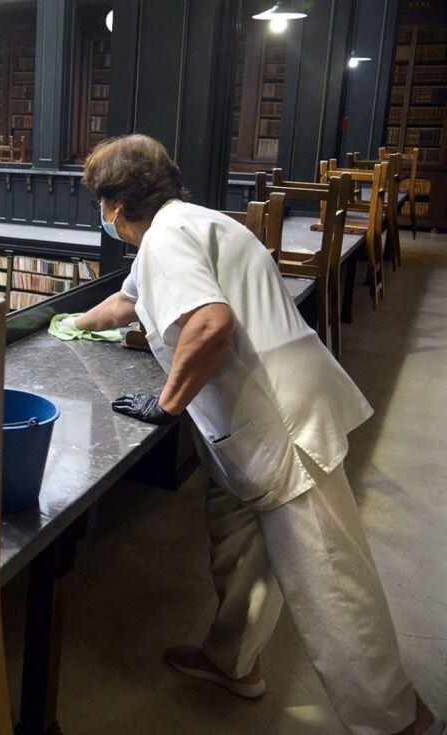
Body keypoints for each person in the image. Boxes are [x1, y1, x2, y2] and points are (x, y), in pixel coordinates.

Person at [69, 134, 442, 735]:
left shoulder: (166, 238)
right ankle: (232, 662)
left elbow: (210, 323)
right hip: (251, 425)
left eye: (99, 201)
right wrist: (71, 323)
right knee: (239, 543)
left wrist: (167, 405)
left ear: (115, 202)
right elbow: (124, 302)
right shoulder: (193, 221)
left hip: (281, 427)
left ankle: (398, 719)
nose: (100, 213)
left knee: (331, 581)